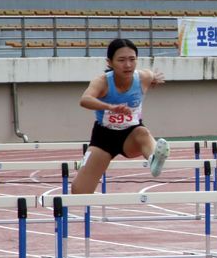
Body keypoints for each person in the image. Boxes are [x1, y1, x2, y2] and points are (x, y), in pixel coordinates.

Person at [71, 38, 170, 195]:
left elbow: (152, 75)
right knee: (79, 192)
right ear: (109, 62)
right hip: (104, 138)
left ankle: (153, 158)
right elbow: (84, 100)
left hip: (131, 134)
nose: (128, 65)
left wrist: (154, 79)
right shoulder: (102, 81)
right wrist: (110, 107)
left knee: (142, 132)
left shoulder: (143, 77)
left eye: (132, 59)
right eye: (122, 60)